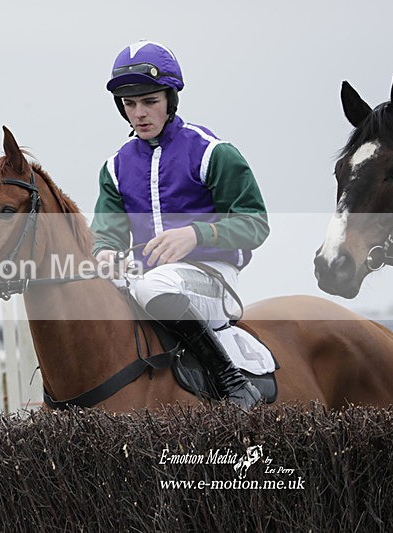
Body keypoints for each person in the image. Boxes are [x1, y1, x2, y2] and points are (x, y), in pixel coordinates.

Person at [91, 41, 270, 410]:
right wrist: (105, 253)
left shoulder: (213, 152)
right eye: (129, 104)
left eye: (149, 101)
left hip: (213, 279)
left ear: (170, 99)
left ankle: (233, 383)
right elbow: (106, 232)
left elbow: (256, 224)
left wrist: (196, 235)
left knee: (154, 284)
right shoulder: (114, 167)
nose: (138, 113)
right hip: (146, 282)